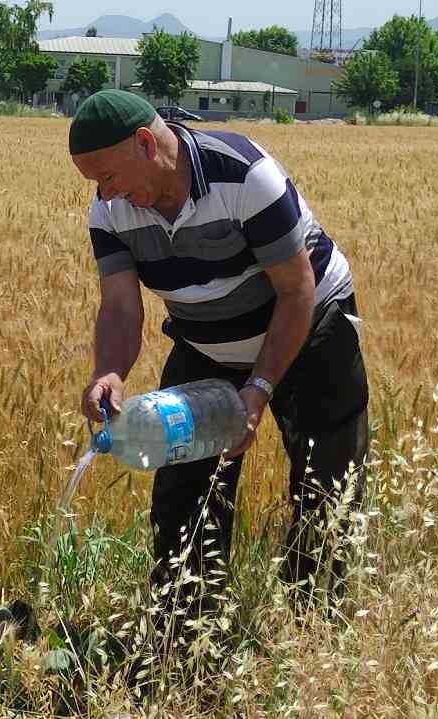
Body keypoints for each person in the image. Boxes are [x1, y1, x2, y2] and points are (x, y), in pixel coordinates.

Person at [68, 90, 370, 645]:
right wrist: (108, 372)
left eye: (108, 176)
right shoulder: (110, 209)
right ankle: (189, 633)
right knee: (185, 484)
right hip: (207, 342)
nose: (104, 193)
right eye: (94, 182)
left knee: (326, 476)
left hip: (309, 328)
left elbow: (296, 290)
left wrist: (257, 388)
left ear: (144, 143)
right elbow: (119, 305)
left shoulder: (246, 176)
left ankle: (316, 632)